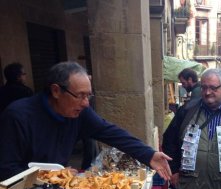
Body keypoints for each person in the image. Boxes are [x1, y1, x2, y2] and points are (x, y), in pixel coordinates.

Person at [0, 61, 172, 181]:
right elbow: (7, 170)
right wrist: (51, 175)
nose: (86, 103)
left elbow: (110, 132)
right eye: (80, 96)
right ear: (56, 91)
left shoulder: (81, 113)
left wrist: (148, 154)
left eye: (88, 95)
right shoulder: (18, 116)